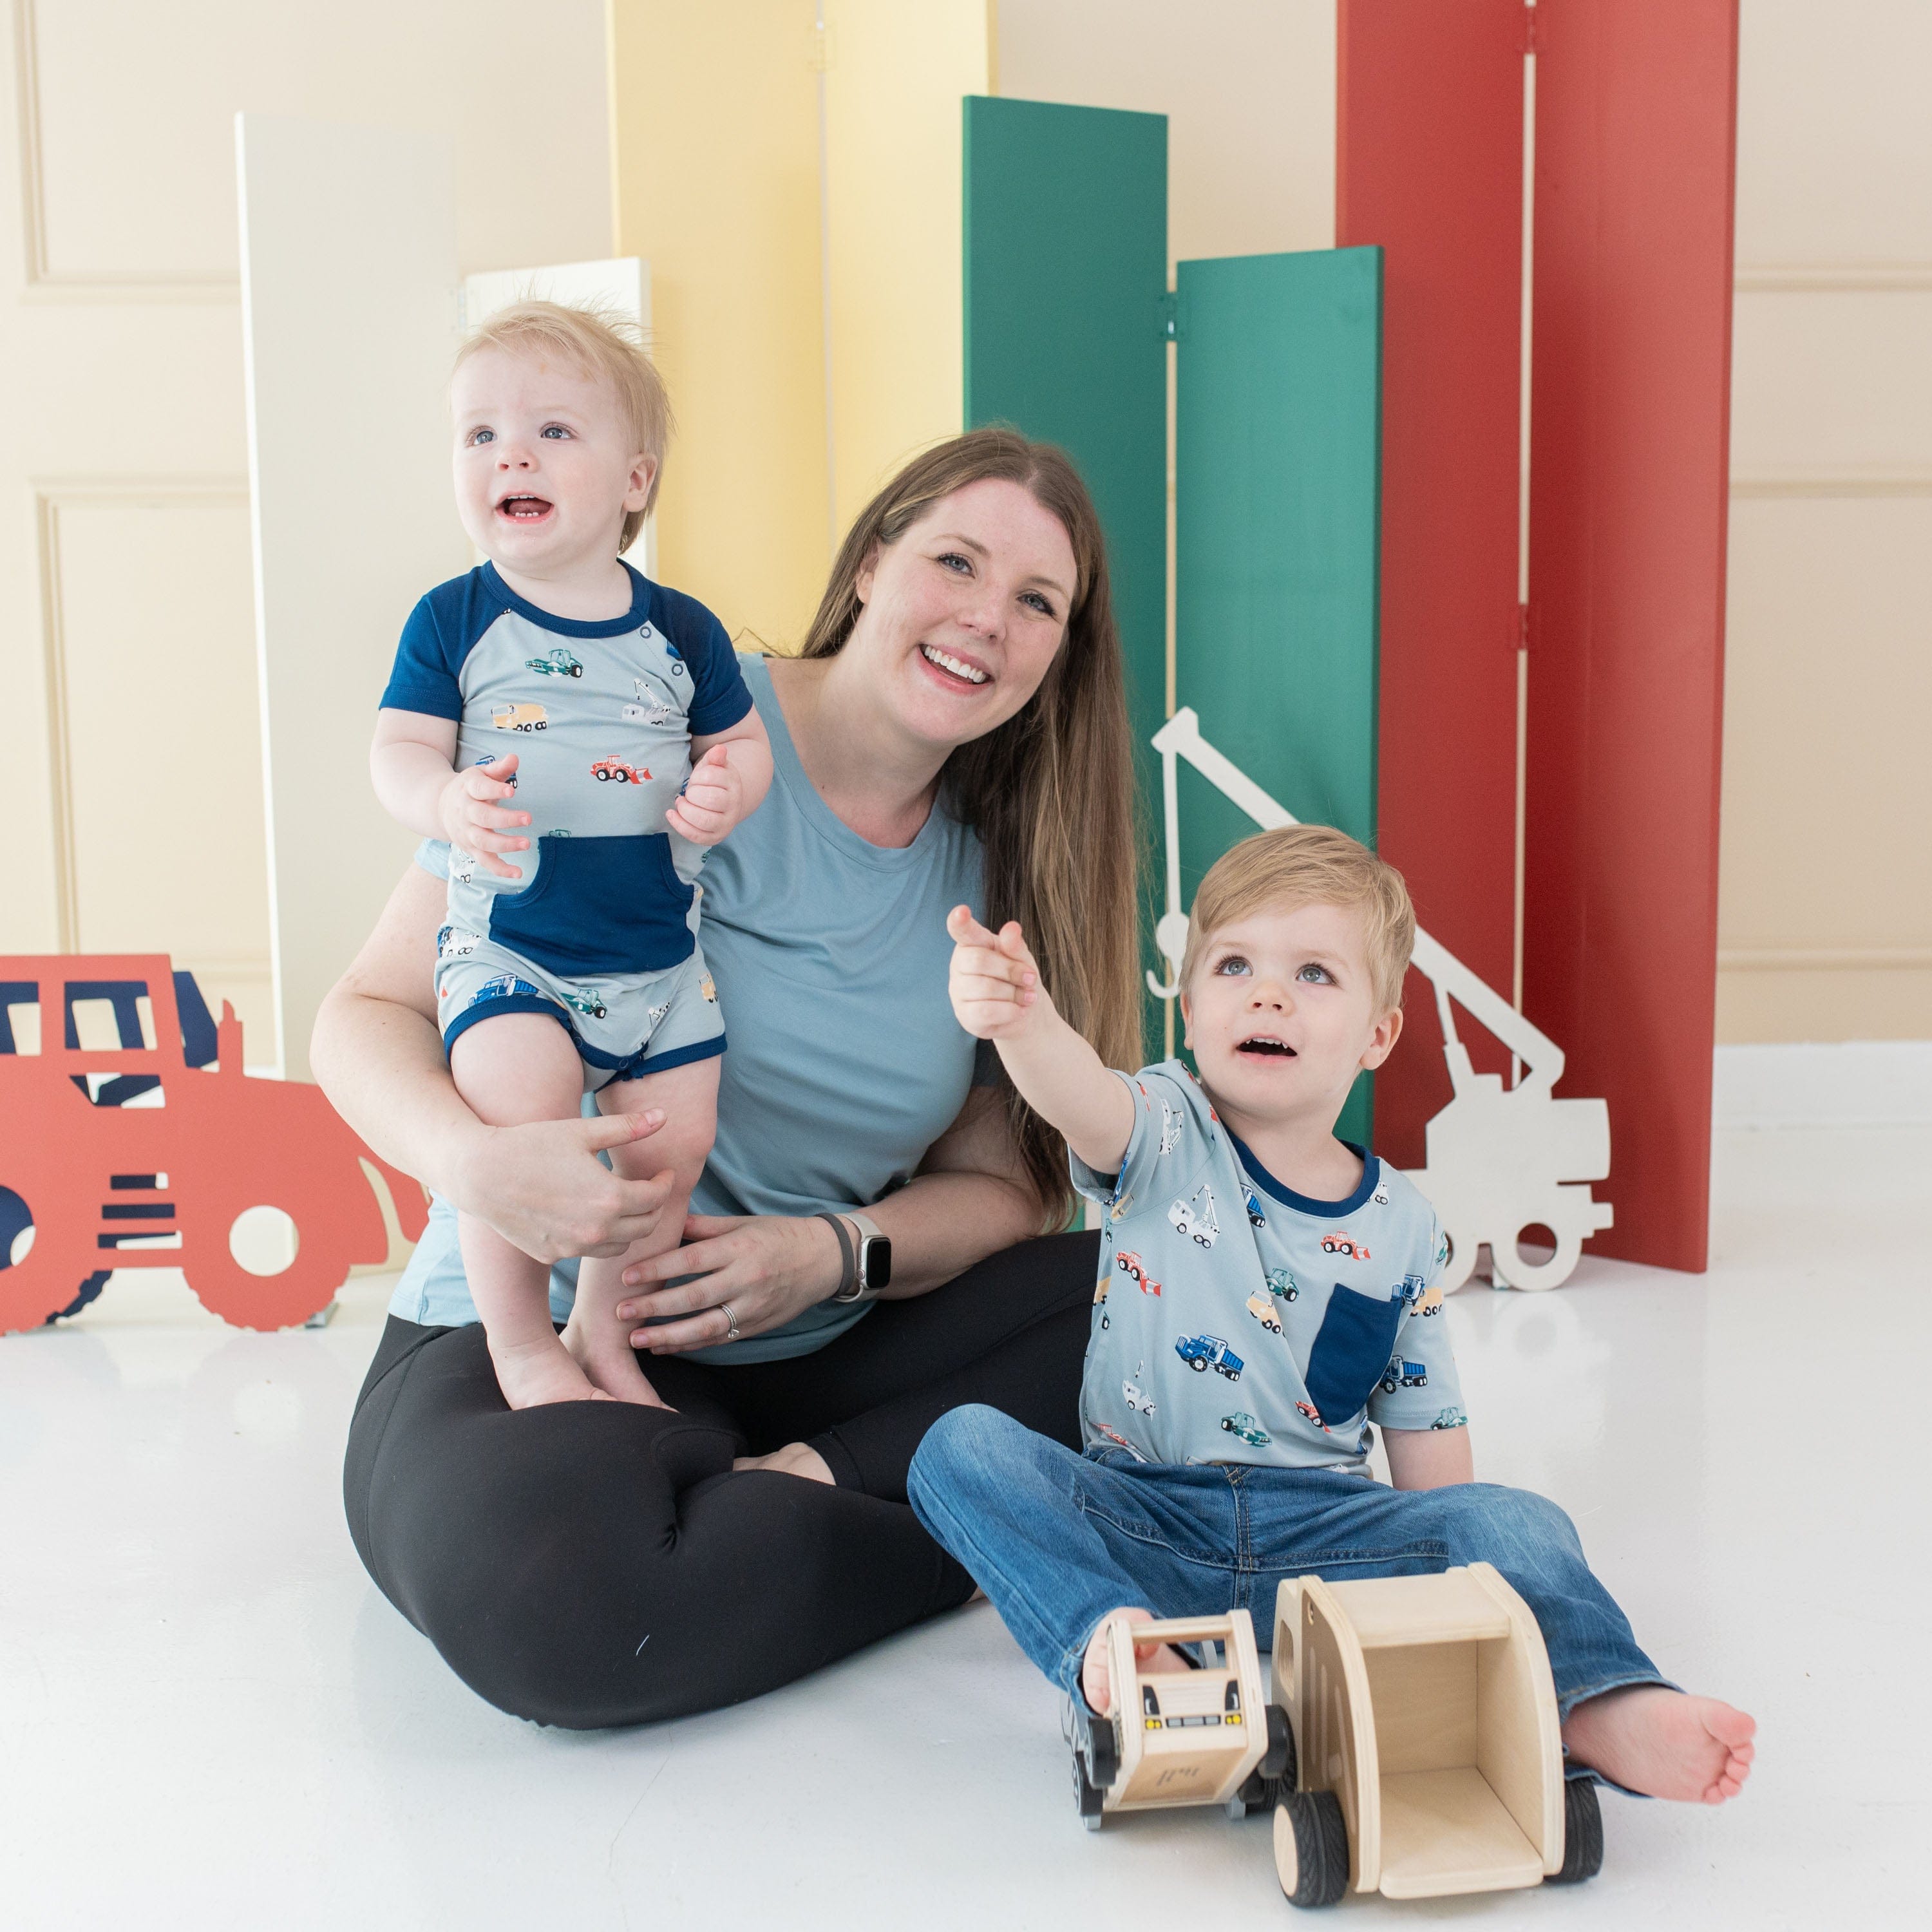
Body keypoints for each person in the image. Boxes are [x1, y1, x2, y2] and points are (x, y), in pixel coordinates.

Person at [315, 427, 1144, 1726]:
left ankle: (785, 1490)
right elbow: (364, 1011)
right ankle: (975, 1528)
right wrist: (471, 1164)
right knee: (558, 1606)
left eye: (1036, 602)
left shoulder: (1000, 871)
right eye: (956, 563)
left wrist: (830, 1254)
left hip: (821, 1352)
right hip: (547, 1331)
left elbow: (1000, 1187)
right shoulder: (654, 712)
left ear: (1059, 652)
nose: (987, 619)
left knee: (1160, 1290)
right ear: (873, 563)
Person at [912, 826, 1757, 1805]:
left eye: (1314, 974)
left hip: (1326, 1547)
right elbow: (1080, 1099)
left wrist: (1458, 1563)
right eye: (1235, 966)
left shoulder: (1405, 1226)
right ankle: (1117, 1644)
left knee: (1514, 1518)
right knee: (959, 1449)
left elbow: (1430, 1443)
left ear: (1377, 1035)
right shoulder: (1164, 1127)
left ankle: (1597, 1702)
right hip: (1143, 1519)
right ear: (1190, 1012)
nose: (1267, 994)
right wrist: (1022, 1025)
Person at [371, 300, 773, 1410]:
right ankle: (517, 1341)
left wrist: (727, 788)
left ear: (635, 480)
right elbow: (398, 750)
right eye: (480, 434)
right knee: (526, 1113)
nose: (510, 453)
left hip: (656, 969)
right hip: (516, 954)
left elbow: (740, 746)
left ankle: (605, 1326)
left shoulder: (682, 630)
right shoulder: (455, 618)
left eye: (552, 431)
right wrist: (444, 801)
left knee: (672, 1144)